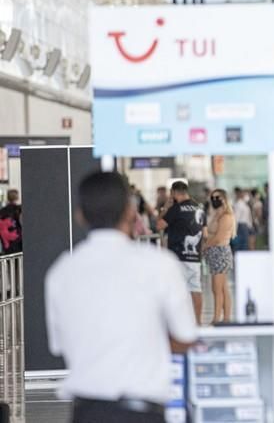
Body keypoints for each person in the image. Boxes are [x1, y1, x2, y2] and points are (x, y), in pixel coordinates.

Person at [45, 172, 196, 423]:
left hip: (85, 413)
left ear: (79, 214)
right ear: (130, 211)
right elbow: (185, 337)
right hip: (143, 411)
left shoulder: (61, 272)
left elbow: (59, 345)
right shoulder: (159, 265)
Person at [157, 181, 207, 324]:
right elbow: (205, 233)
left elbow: (159, 225)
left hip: (177, 257)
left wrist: (165, 208)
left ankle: (180, 322)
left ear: (173, 193)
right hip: (195, 257)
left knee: (178, 290)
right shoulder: (199, 208)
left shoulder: (176, 209)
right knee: (196, 288)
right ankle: (198, 322)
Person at [203, 189, 236, 324]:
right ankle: (226, 318)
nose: (214, 200)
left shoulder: (227, 216)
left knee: (218, 288)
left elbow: (218, 238)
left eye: (218, 197)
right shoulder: (216, 215)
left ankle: (217, 318)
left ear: (224, 199)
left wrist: (204, 247)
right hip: (214, 253)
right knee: (221, 288)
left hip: (220, 253)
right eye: (212, 197)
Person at [0, 189, 22, 254]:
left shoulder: (2, 210)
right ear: (17, 197)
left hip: (6, 241)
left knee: (9, 260)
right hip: (17, 239)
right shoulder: (18, 209)